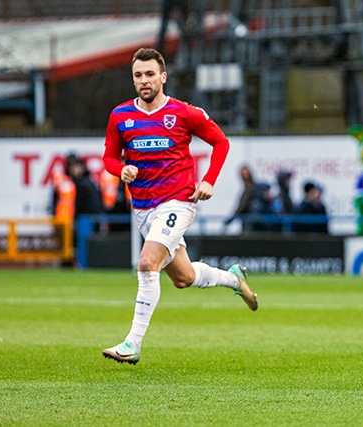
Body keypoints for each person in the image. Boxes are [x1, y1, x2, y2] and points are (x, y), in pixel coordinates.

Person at [101, 47, 258, 365]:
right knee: (183, 278)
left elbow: (221, 141)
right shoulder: (120, 116)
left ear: (163, 77)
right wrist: (122, 170)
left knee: (147, 265)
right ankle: (233, 278)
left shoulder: (184, 112)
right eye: (137, 75)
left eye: (149, 74)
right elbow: (108, 158)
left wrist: (209, 180)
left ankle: (132, 344)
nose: (144, 81)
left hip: (178, 202)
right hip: (144, 210)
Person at [222, 164, 256, 233]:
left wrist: (230, 220)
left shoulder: (250, 189)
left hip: (250, 223)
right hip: (250, 222)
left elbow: (242, 206)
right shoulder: (249, 188)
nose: (245, 177)